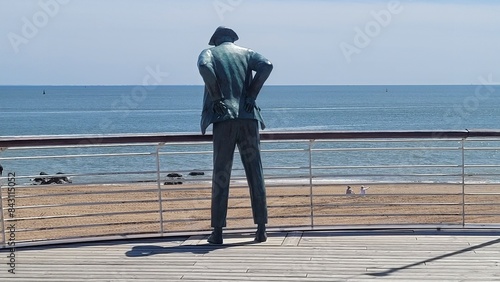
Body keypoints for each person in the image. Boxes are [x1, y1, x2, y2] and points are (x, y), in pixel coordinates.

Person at [198, 26, 273, 244]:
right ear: (232, 39)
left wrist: (216, 97)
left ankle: (218, 232)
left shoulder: (209, 53)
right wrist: (251, 94)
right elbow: (267, 66)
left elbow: (204, 67)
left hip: (223, 119)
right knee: (255, 172)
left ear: (216, 40)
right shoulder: (247, 53)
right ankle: (261, 229)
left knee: (221, 174)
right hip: (249, 118)